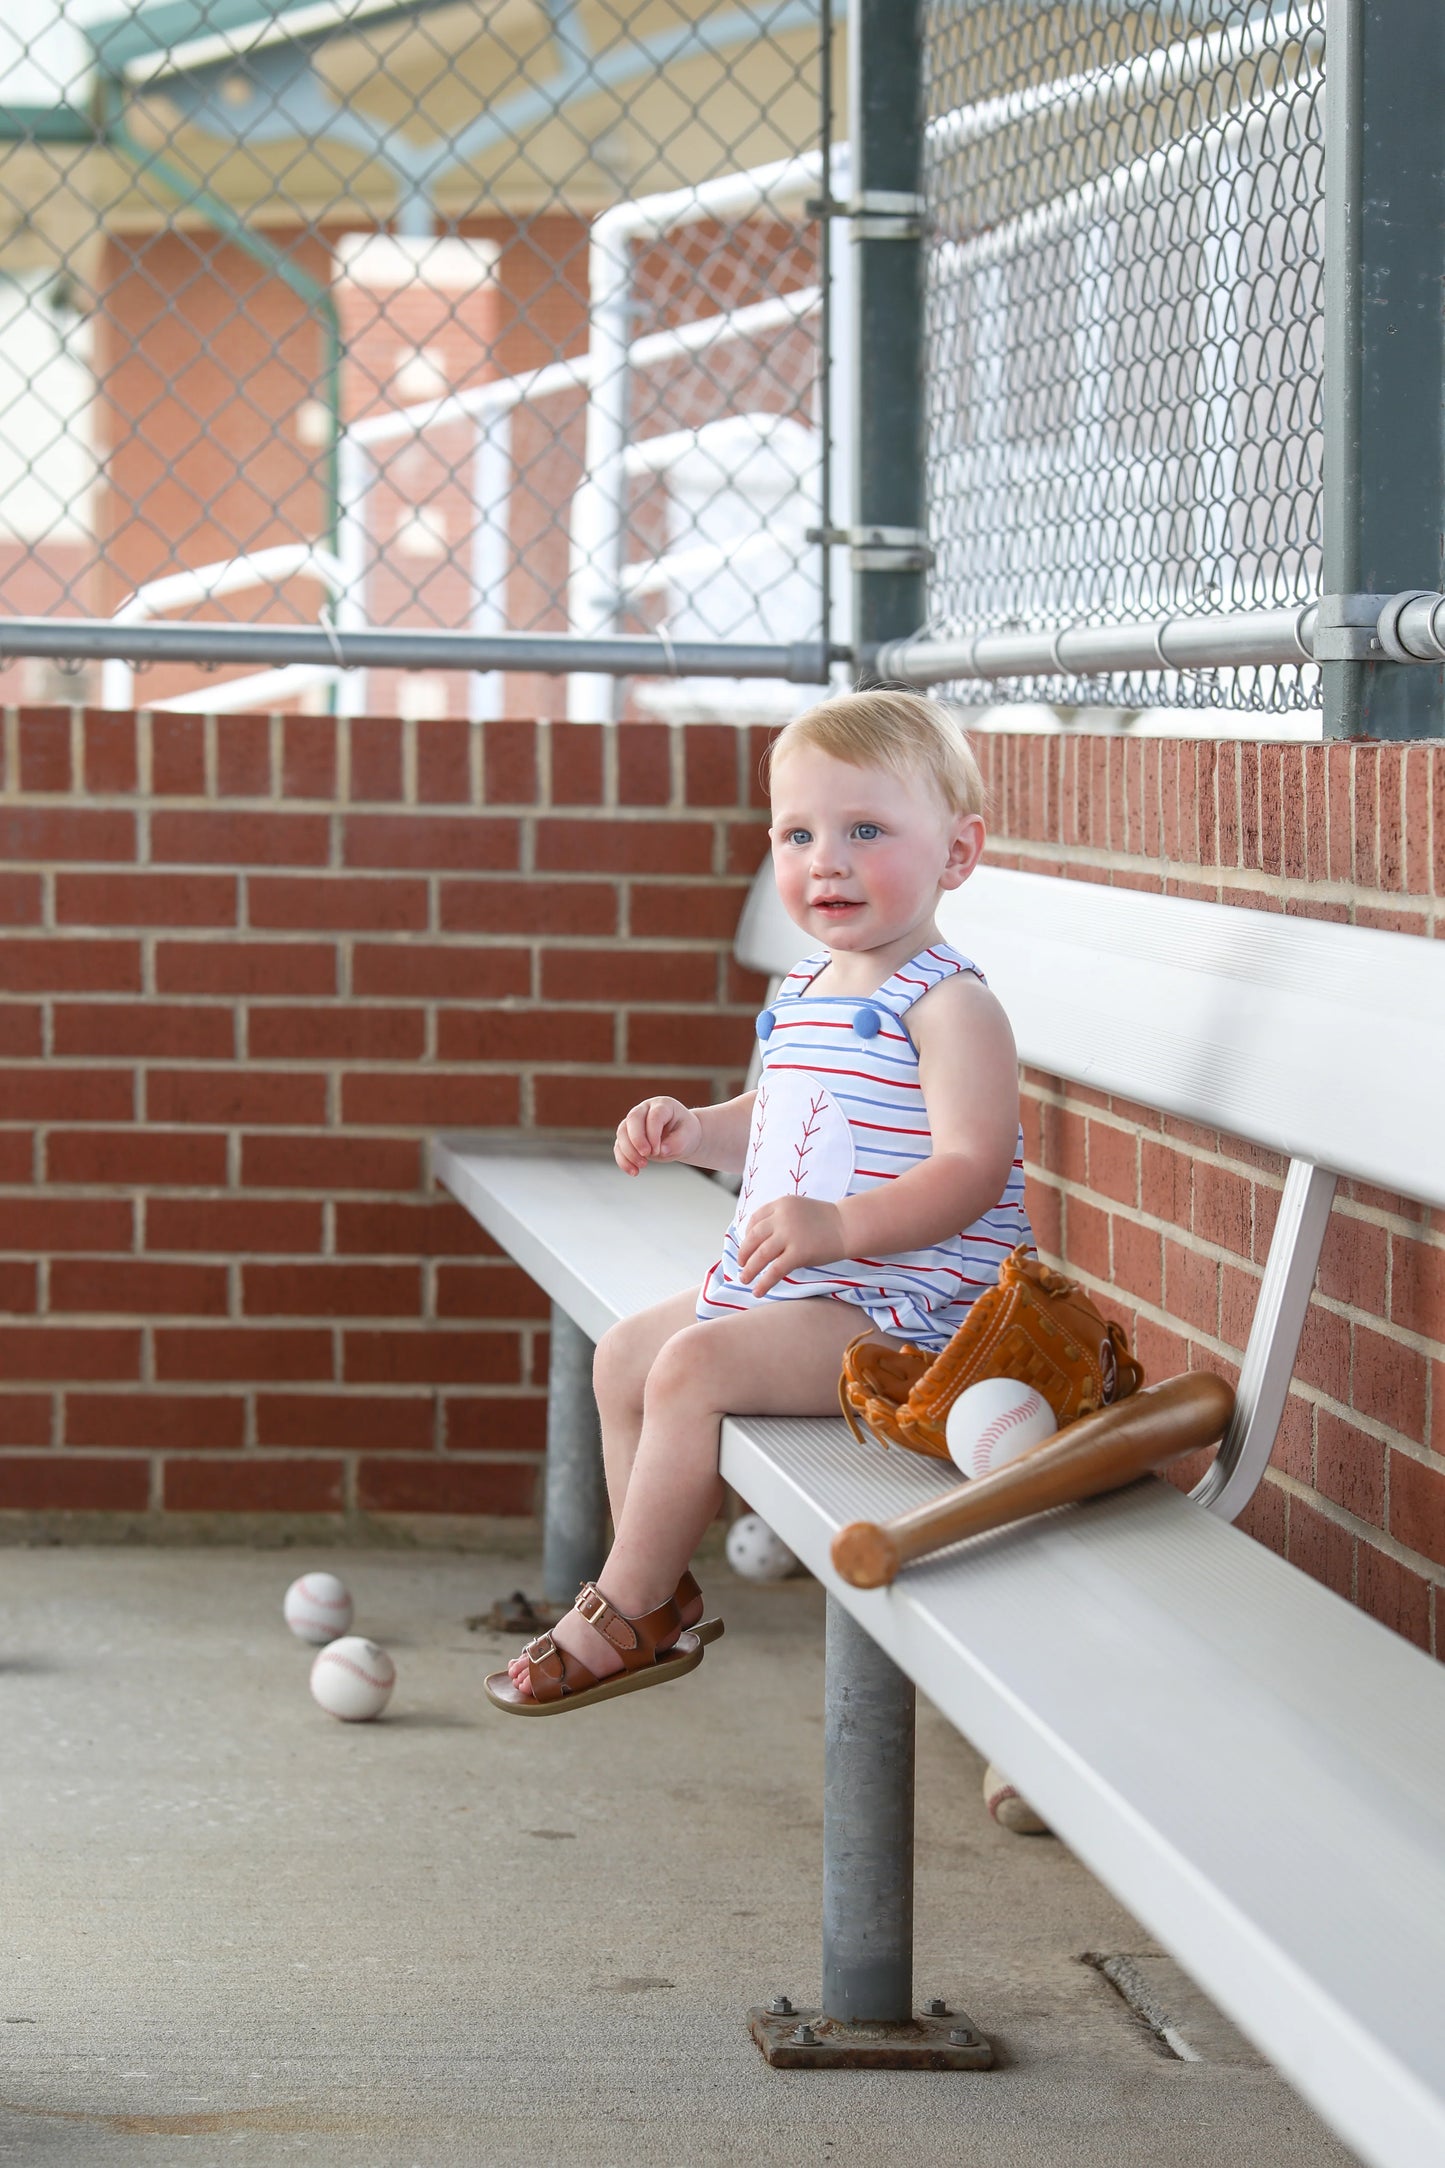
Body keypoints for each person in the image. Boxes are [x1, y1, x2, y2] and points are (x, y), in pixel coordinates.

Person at [485, 688, 1032, 1714]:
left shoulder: (951, 1007)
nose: (826, 861)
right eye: (797, 834)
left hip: (913, 1317)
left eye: (865, 830)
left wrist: (839, 1225)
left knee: (689, 1368)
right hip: (807, 1288)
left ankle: (623, 1609)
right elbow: (783, 1115)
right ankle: (652, 1588)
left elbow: (972, 1166)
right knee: (624, 1354)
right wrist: (698, 1130)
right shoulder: (810, 985)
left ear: (957, 852)